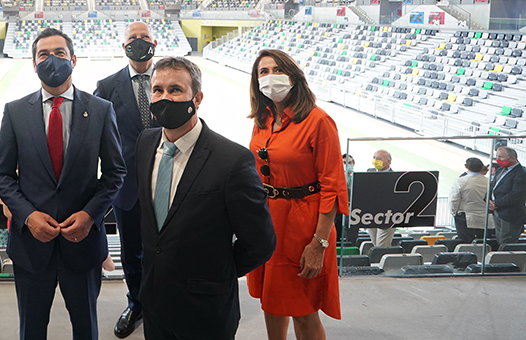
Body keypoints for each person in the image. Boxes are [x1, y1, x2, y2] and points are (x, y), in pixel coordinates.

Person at [0, 27, 125, 340]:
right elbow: (1, 175)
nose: (52, 60)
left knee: (85, 328)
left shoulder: (100, 110)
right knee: (32, 329)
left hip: (83, 244)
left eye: (60, 53)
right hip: (30, 246)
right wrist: (27, 215)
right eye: (44, 54)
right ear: (33, 63)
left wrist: (91, 215)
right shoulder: (14, 112)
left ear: (74, 60)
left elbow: (115, 173)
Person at [136, 57, 275, 340]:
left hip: (206, 309)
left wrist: (217, 272)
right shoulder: (145, 143)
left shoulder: (232, 160)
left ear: (197, 98)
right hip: (154, 301)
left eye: (175, 90)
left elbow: (260, 242)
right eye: (158, 90)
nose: (164, 97)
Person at [247, 49, 349, 340]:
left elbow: (332, 186)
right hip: (269, 220)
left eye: (276, 69)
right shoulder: (262, 119)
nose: (269, 77)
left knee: (303, 309)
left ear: (293, 75)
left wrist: (318, 243)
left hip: (304, 225)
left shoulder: (319, 121)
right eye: (262, 72)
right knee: (272, 302)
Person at [94, 21, 158, 338]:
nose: (138, 42)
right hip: (127, 186)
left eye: (144, 37)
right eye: (132, 38)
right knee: (132, 252)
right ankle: (136, 304)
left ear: (155, 43)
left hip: (167, 181)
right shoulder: (106, 87)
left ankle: (163, 303)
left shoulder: (172, 78)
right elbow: (94, 136)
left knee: (167, 247)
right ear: (123, 46)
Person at [449, 157, 494, 243]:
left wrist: (453, 212)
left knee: (466, 244)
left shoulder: (461, 181)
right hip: (486, 218)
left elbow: (454, 199)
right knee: (483, 244)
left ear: (466, 166)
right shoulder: (489, 182)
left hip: (466, 218)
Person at [489, 146, 526, 247]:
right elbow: (492, 186)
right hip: (498, 213)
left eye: (501, 157)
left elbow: (515, 195)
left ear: (512, 158)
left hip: (511, 215)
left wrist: (497, 203)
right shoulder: (500, 170)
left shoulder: (522, 173)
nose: (498, 159)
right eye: (497, 156)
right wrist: (488, 200)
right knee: (500, 241)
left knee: (506, 244)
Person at [365, 149, 396, 247]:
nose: (375, 160)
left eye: (378, 158)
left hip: (387, 217)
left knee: (381, 246)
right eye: (374, 157)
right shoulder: (369, 171)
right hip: (371, 216)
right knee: (375, 245)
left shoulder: (395, 177)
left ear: (389, 161)